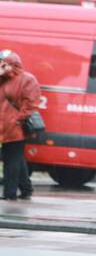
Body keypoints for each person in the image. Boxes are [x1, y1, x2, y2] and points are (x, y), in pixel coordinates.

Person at [0, 50, 41, 201]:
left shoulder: (27, 79)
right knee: (16, 158)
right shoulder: (2, 79)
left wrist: (19, 119)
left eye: (3, 63)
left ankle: (9, 193)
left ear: (12, 64)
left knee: (12, 160)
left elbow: (31, 102)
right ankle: (26, 189)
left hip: (15, 127)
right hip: (4, 127)